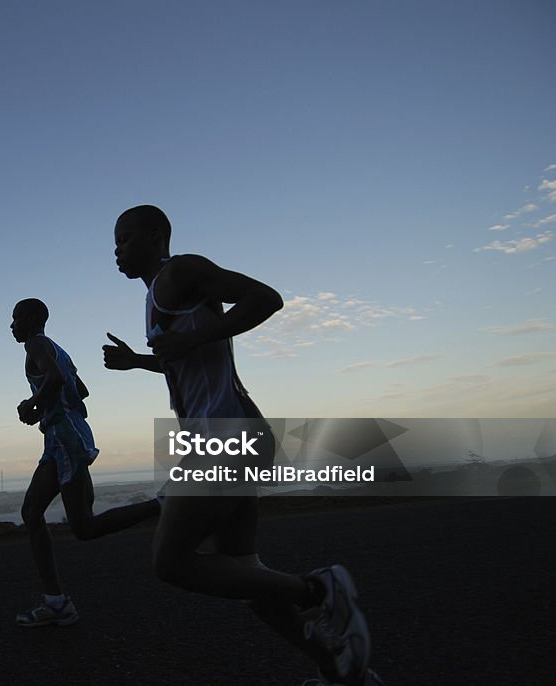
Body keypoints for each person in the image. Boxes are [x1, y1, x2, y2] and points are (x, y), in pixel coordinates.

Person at [103, 205, 379, 686]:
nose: (116, 249)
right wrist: (140, 362)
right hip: (227, 437)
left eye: (124, 238)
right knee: (247, 579)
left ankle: (319, 589)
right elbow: (189, 356)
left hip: (227, 437)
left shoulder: (181, 270)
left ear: (154, 235)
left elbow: (264, 298)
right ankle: (340, 667)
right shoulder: (157, 295)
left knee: (171, 562)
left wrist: (190, 342)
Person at [11, 298, 160, 628]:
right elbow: (81, 389)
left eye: (16, 318)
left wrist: (31, 404)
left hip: (65, 437)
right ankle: (55, 602)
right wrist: (45, 407)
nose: (11, 326)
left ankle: (166, 504)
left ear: (33, 320)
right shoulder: (57, 349)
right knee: (33, 512)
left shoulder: (35, 344)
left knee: (83, 527)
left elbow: (58, 380)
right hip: (62, 435)